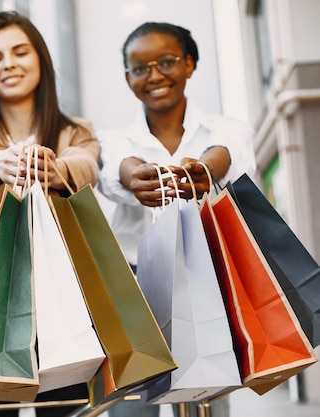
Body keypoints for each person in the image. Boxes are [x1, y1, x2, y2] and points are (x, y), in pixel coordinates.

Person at [0, 10, 100, 417]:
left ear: (40, 60)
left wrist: (58, 169)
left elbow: (86, 164)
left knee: (66, 410)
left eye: (20, 52)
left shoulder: (74, 130)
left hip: (62, 302)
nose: (8, 64)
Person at [97, 22, 257, 417]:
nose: (154, 76)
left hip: (207, 282)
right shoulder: (115, 138)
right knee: (131, 405)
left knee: (209, 399)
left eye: (166, 62)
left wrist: (207, 168)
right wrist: (134, 177)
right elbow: (115, 171)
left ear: (188, 64)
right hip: (134, 288)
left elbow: (231, 154)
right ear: (127, 77)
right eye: (140, 68)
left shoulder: (226, 129)